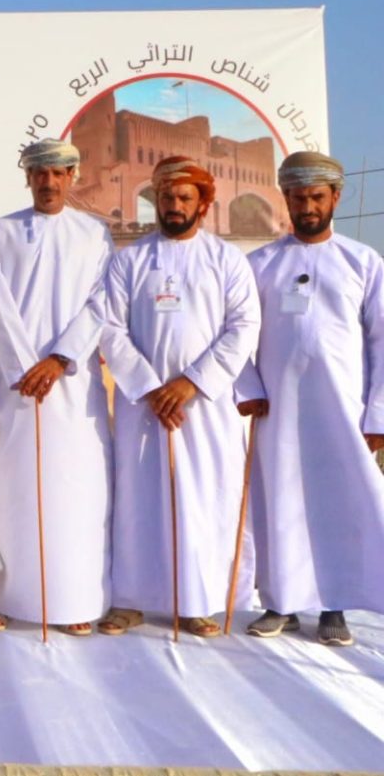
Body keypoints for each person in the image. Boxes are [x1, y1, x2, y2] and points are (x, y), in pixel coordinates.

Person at [98, 156, 259, 637]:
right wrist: (150, 386)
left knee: (203, 498)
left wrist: (191, 382)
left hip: (203, 407)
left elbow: (244, 326)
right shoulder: (129, 260)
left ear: (203, 203)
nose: (174, 205)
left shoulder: (226, 259)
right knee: (139, 498)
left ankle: (196, 601)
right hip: (143, 406)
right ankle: (131, 600)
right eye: (166, 197)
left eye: (184, 197)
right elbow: (110, 326)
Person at [236, 152, 384, 648]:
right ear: (286, 198)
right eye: (298, 197)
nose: (307, 207)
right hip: (277, 408)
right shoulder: (261, 264)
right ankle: (279, 603)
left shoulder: (362, 262)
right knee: (279, 500)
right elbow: (237, 333)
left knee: (335, 503)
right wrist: (248, 389)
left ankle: (332, 605)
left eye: (316, 197)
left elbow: (382, 340)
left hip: (342, 409)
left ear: (335, 197)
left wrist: (378, 414)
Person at [0, 140, 114, 635]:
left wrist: (59, 359)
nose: (49, 182)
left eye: (58, 173)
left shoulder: (94, 234)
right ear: (28, 177)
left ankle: (75, 604)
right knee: (10, 491)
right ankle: (7, 599)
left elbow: (102, 302)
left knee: (75, 495)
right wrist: (24, 366)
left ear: (72, 176)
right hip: (16, 386)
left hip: (73, 389)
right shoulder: (2, 231)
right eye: (40, 173)